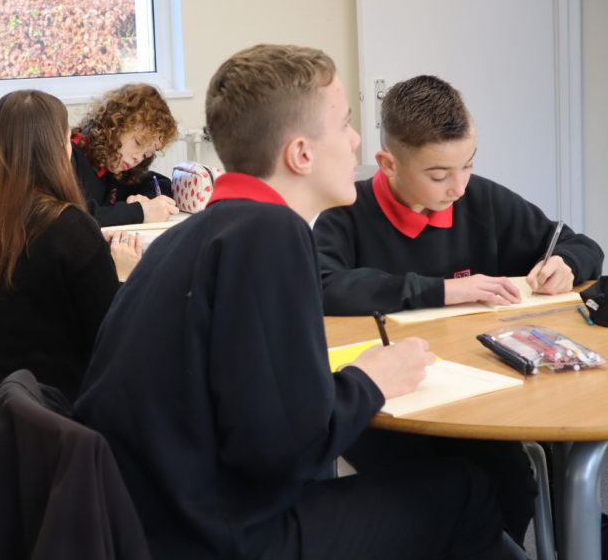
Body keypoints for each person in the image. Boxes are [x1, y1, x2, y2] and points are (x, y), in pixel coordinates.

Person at [75, 45, 519, 560]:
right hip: (223, 536)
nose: (356, 141)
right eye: (346, 124)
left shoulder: (195, 232)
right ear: (301, 154)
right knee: (466, 490)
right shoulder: (271, 233)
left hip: (154, 522)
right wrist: (371, 379)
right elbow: (282, 451)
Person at [313, 74, 604, 544]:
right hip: (389, 407)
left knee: (513, 481)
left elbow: (578, 243)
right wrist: (443, 290)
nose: (459, 186)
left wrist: (565, 263)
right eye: (438, 175)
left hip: (481, 395)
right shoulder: (347, 212)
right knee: (442, 492)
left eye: (467, 165)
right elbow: (325, 285)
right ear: (388, 163)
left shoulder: (481, 198)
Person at [0, 89, 141, 484]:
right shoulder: (70, 228)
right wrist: (121, 274)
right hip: (44, 424)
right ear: (59, 147)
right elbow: (111, 340)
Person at [71, 83, 180, 226]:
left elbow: (161, 183)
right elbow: (75, 218)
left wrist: (145, 201)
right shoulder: (71, 157)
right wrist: (140, 212)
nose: (138, 158)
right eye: (138, 143)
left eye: (146, 155)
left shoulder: (116, 168)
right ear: (115, 125)